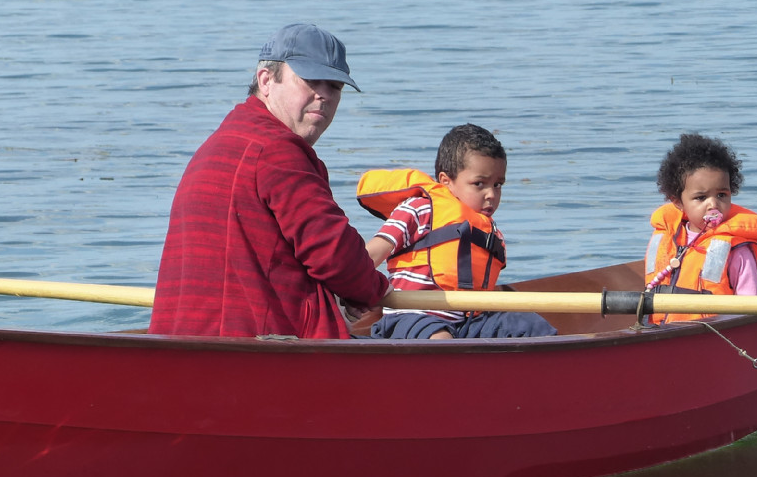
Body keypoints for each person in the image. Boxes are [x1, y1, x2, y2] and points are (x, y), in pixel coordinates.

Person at [149, 23, 389, 339]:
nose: (325, 95)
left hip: (183, 343)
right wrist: (373, 291)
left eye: (335, 86)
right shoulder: (276, 150)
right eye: (311, 80)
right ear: (266, 80)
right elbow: (336, 256)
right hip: (256, 351)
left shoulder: (221, 142)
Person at [356, 124, 557, 339]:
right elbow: (371, 254)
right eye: (479, 184)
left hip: (468, 320)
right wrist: (353, 290)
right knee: (440, 338)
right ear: (446, 182)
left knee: (527, 324)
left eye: (498, 185)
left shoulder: (490, 232)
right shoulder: (420, 209)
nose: (491, 194)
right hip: (412, 316)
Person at [644, 133, 757, 323]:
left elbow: (749, 308)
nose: (713, 204)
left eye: (721, 195)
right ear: (678, 202)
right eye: (701, 198)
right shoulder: (665, 238)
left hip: (716, 336)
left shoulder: (738, 251)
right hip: (662, 332)